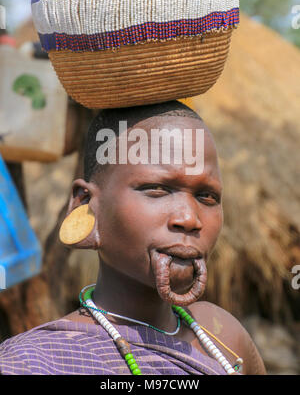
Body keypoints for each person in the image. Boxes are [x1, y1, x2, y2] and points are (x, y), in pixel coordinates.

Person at [0, 100, 266, 375]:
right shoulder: (30, 364)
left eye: (206, 196)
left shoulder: (222, 336)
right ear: (86, 206)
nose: (189, 218)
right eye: (157, 189)